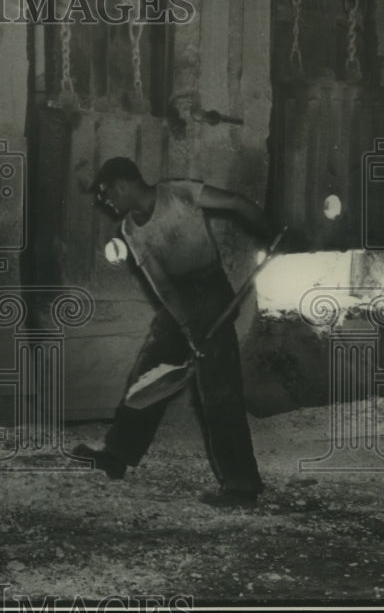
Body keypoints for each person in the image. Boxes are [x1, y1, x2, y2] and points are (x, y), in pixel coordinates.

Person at [73, 157, 281, 508]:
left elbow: (236, 203)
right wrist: (187, 327)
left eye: (107, 194)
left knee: (219, 389)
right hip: (180, 302)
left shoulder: (180, 193)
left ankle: (241, 486)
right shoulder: (130, 229)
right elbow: (165, 288)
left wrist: (271, 232)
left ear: (122, 185)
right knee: (148, 373)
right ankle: (118, 454)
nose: (105, 202)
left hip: (212, 294)